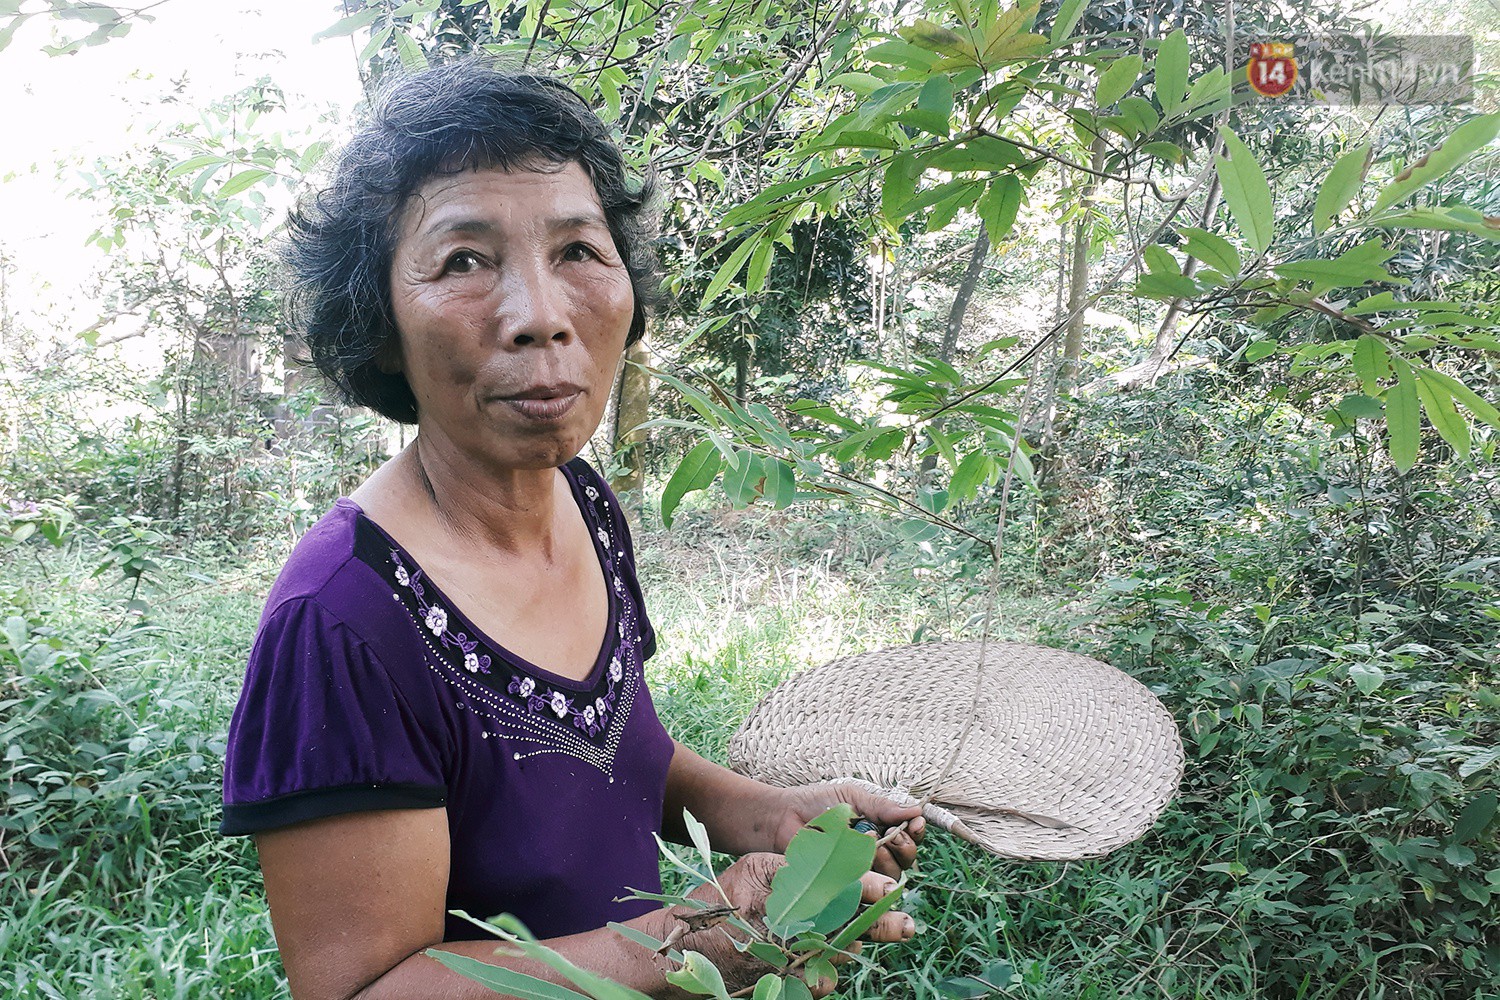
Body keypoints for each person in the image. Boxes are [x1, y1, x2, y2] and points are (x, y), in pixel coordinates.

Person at [220, 61, 925, 1000]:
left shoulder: (580, 502)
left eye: (579, 252)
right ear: (380, 323)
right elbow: (362, 991)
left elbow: (623, 758)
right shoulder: (342, 623)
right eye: (463, 260)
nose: (540, 316)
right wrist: (691, 940)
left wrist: (772, 819)